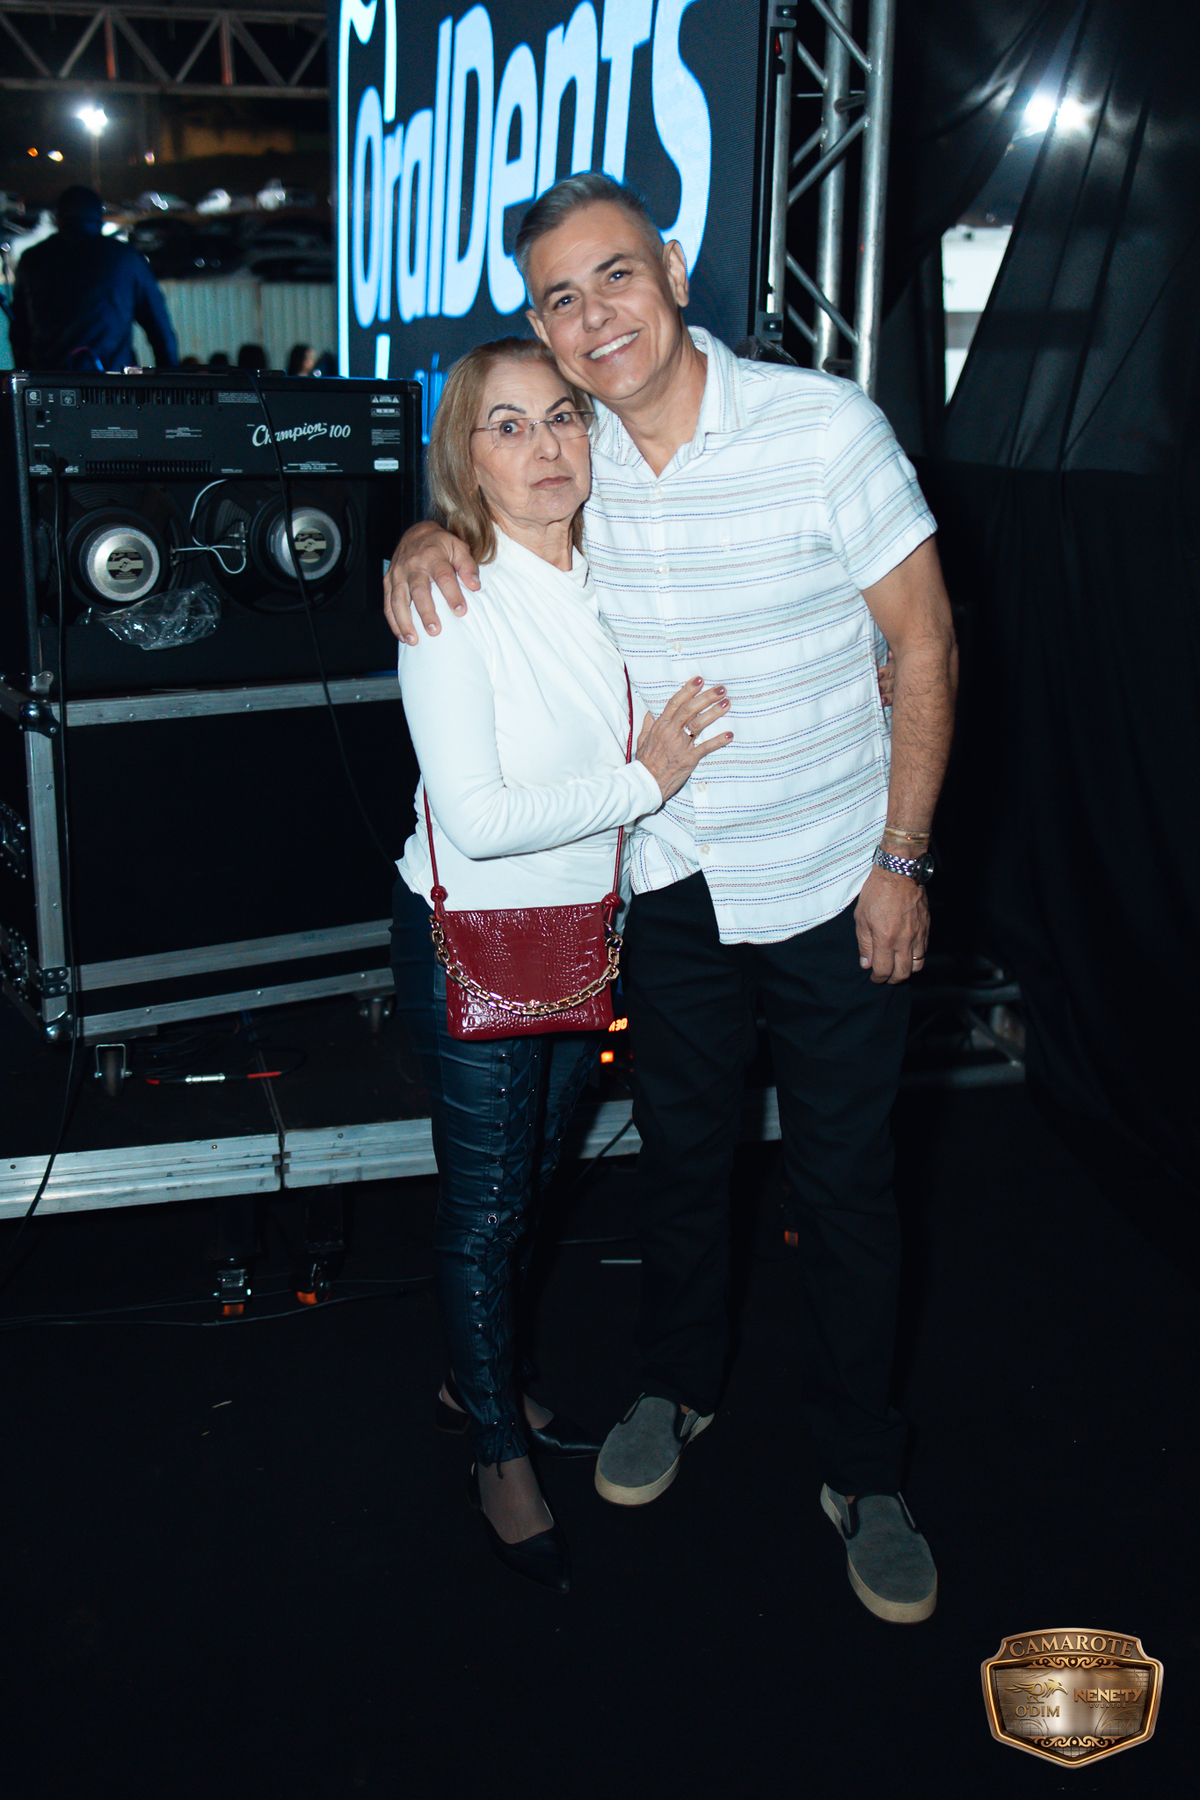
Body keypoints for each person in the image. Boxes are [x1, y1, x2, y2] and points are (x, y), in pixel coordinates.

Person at [384, 174, 958, 1624]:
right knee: (684, 1167)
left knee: (846, 1188)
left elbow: (926, 640)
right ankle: (675, 1387)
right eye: (561, 299)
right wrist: (421, 537)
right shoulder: (578, 465)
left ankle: (865, 1472)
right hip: (673, 889)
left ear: (677, 271)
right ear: (541, 329)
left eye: (616, 275)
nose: (594, 317)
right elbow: (494, 528)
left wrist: (903, 858)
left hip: (835, 879)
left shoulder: (821, 428)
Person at [389, 334, 732, 1593]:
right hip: (473, 939)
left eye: (563, 418)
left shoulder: (616, 580)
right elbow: (476, 821)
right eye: (509, 425)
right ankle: (496, 1447)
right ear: (466, 459)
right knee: (485, 1209)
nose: (544, 447)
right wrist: (645, 781)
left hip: (587, 942)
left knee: (532, 1183)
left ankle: (470, 1375)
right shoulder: (451, 599)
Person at [8, 186, 178, 373]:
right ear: (99, 217)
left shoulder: (32, 260)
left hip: (51, 383)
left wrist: (29, 382)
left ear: (58, 218)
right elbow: (161, 331)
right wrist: (169, 381)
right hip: (114, 382)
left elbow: (19, 333)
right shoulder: (126, 258)